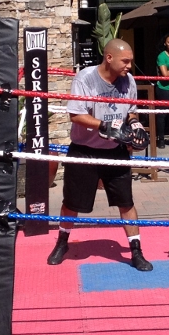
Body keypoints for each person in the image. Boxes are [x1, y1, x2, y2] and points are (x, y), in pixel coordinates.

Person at [46, 38, 152, 272]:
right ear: (109, 58)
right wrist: (104, 126)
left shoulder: (129, 81)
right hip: (84, 151)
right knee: (71, 203)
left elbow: (132, 113)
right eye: (125, 61)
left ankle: (136, 251)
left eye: (131, 62)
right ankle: (62, 243)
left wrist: (135, 127)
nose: (129, 66)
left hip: (115, 152)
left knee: (126, 203)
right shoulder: (85, 78)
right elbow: (76, 115)